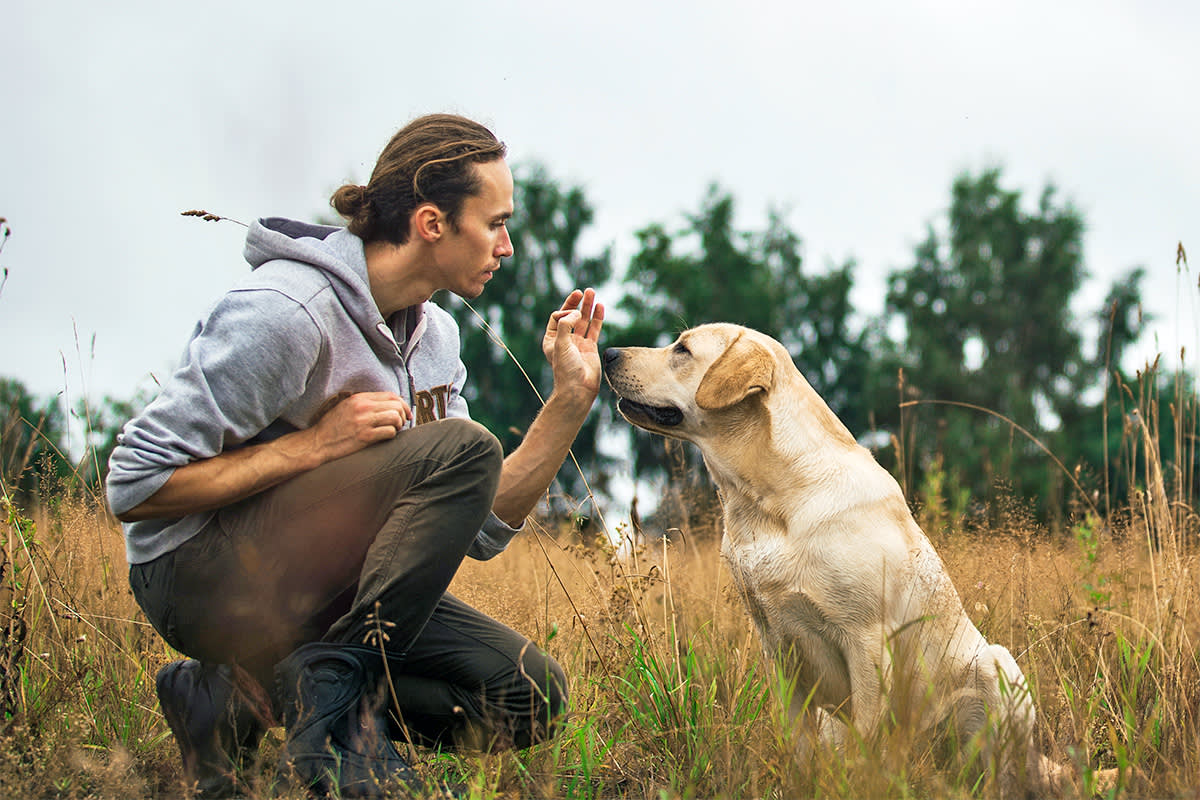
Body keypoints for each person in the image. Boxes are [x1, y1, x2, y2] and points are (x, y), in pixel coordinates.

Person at [105, 113, 605, 798]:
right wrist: (314, 447)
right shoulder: (288, 311)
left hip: (320, 593)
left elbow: (481, 525)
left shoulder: (436, 340)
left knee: (529, 695)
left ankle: (228, 703)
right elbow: (135, 486)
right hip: (194, 576)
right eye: (494, 223)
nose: (508, 246)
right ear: (432, 223)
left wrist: (570, 402)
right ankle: (338, 724)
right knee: (463, 447)